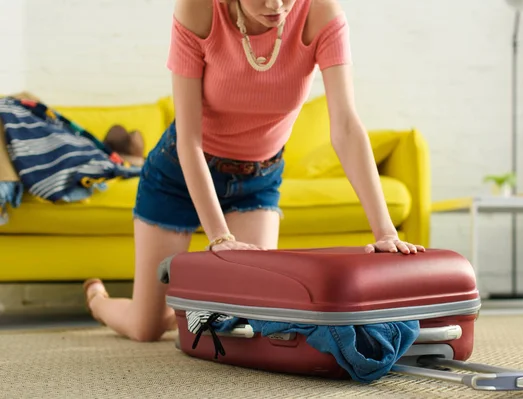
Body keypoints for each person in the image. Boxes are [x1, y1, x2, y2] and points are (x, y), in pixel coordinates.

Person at [83, 0, 426, 342]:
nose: (275, 5)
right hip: (178, 174)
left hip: (256, 180)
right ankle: (99, 302)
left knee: (248, 318)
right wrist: (219, 237)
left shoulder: (320, 13)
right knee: (146, 328)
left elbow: (347, 127)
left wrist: (385, 232)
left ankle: (187, 310)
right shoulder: (198, 10)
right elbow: (189, 140)